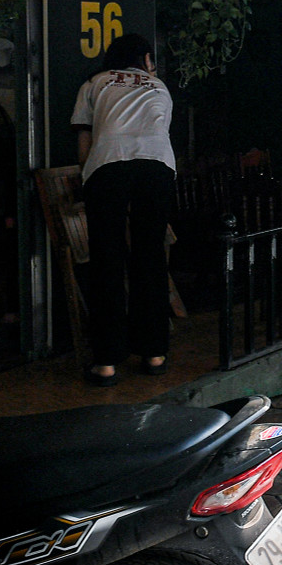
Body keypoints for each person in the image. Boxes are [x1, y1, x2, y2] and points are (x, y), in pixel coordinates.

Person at [71, 33, 175, 385]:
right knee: (151, 255)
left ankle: (106, 363)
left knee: (106, 259)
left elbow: (84, 140)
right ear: (145, 58)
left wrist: (87, 178)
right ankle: (154, 354)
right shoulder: (159, 86)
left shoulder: (94, 83)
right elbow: (158, 131)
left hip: (108, 165)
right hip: (157, 167)